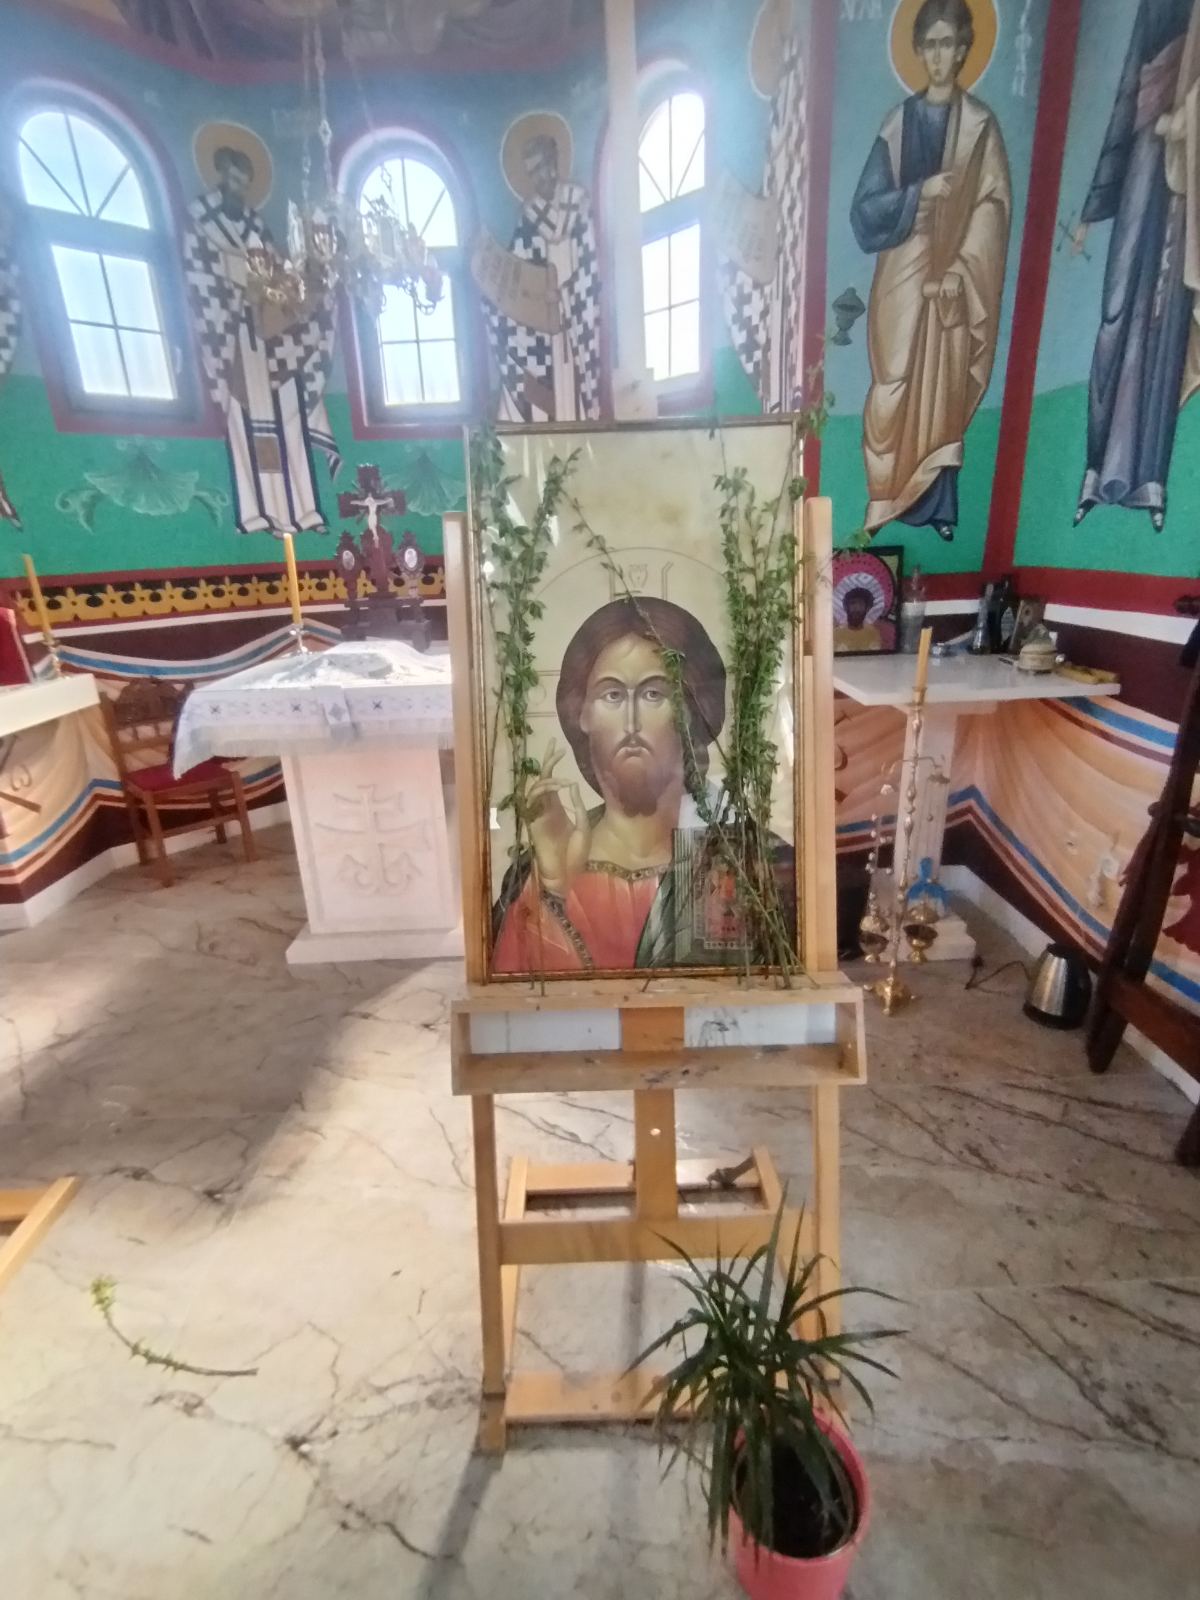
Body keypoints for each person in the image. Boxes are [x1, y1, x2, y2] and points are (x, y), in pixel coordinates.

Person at [492, 597, 782, 973]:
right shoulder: (538, 872)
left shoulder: (750, 860)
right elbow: (519, 995)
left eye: (653, 693)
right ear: (582, 713)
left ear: (692, 711)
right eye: (612, 695)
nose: (631, 722)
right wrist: (550, 890)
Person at [850, 0, 1010, 543]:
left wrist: (961, 269)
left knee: (942, 382)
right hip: (902, 262)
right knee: (893, 375)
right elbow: (865, 208)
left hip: (955, 271)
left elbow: (993, 206)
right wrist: (920, 194)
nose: (940, 56)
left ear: (964, 49)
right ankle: (884, 493)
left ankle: (935, 505)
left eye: (949, 44)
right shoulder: (897, 125)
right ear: (919, 51)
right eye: (932, 45)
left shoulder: (981, 127)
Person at [1071, 0, 1199, 532]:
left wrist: (1188, 117)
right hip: (1143, 172)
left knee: (1164, 325)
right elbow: (1128, 93)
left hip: (1184, 186)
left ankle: (1149, 480)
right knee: (1117, 312)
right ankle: (1097, 470)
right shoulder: (1158, 7)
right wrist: (1092, 207)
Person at [184, 144, 338, 537]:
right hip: (233, 341)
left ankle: (303, 511)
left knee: (290, 419)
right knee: (242, 426)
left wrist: (293, 300)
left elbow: (287, 282)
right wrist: (238, 296)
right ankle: (254, 514)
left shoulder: (257, 227)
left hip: (269, 345)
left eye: (245, 181)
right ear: (221, 175)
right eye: (233, 178)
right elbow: (200, 281)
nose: (238, 188)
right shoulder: (200, 222)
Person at [492, 132, 602, 422]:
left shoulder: (577, 202)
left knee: (576, 373)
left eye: (541, 167)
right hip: (544, 321)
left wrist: (566, 295)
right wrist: (539, 297)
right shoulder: (529, 216)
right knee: (504, 327)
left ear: (554, 162)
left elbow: (591, 261)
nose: (538, 178)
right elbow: (518, 271)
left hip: (577, 309)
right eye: (532, 173)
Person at [833, 586, 883, 652]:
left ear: (867, 608)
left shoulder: (873, 634)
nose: (856, 608)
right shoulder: (836, 634)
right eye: (853, 603)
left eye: (861, 604)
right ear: (846, 607)